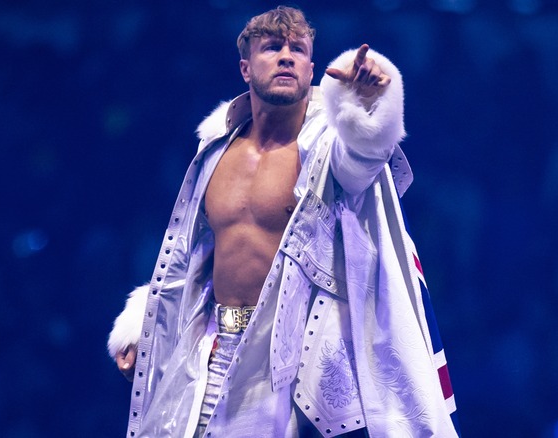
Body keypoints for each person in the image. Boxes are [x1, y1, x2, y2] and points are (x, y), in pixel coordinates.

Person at [108, 6, 459, 437]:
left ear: (313, 68)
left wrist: (367, 106)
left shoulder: (328, 147)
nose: (286, 57)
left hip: (291, 364)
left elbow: (363, 161)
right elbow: (188, 258)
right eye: (272, 47)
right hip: (208, 352)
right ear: (245, 68)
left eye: (298, 49)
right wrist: (143, 323)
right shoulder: (216, 151)